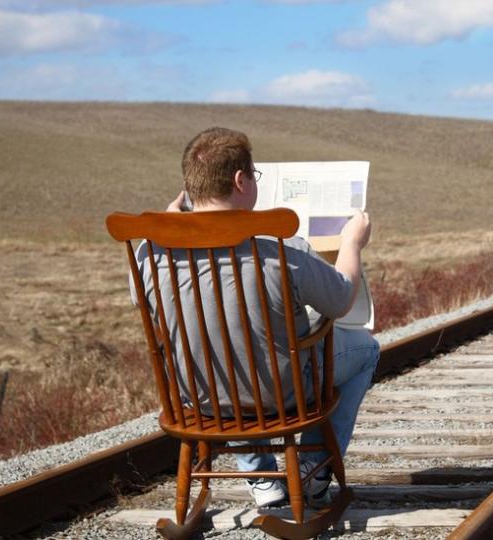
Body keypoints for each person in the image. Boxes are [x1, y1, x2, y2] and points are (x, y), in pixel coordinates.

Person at [134, 127, 379, 509]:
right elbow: (341, 300)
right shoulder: (281, 250)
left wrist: (170, 225)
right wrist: (351, 244)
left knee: (225, 357)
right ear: (240, 179)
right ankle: (313, 470)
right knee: (365, 349)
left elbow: (142, 300)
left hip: (199, 395)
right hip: (281, 393)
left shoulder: (151, 255)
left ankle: (263, 479)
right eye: (254, 176)